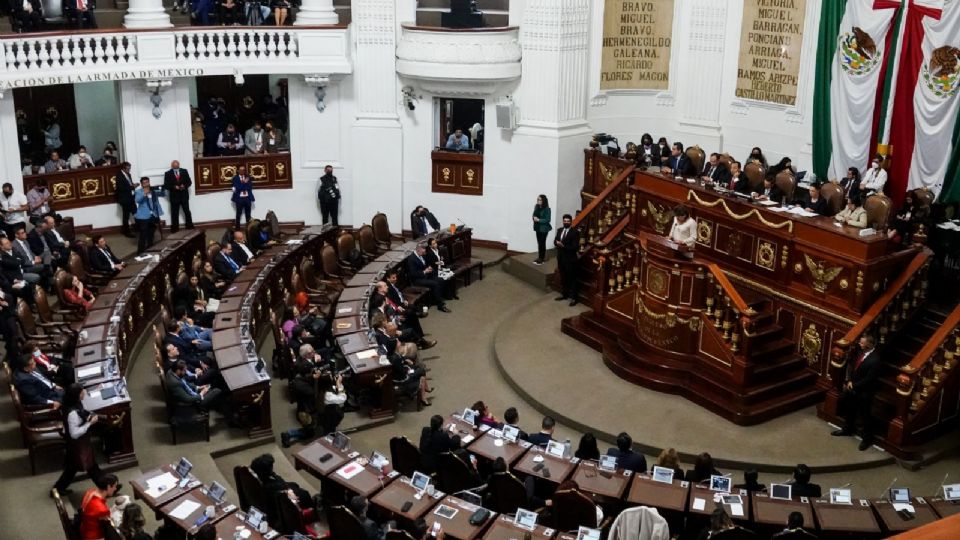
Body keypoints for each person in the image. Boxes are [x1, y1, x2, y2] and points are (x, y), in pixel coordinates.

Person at [832, 334, 882, 451]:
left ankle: (866, 438)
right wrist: (849, 380)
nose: (860, 344)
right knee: (850, 410)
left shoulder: (875, 360)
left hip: (864, 392)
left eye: (862, 343)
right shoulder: (860, 353)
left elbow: (870, 378)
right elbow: (853, 368)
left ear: (869, 344)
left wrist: (854, 384)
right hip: (853, 388)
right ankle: (847, 429)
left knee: (865, 416)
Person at [53, 383, 102, 494]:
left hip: (77, 444)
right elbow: (74, 433)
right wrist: (89, 423)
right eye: (82, 391)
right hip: (77, 444)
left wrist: (88, 416)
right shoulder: (72, 413)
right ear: (77, 395)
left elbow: (82, 413)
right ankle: (106, 486)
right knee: (86, 465)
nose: (84, 392)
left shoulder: (72, 403)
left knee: (83, 466)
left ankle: (58, 489)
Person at [249, 454, 316, 518]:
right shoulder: (268, 485)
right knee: (305, 493)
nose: (272, 468)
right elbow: (282, 491)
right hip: (284, 498)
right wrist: (289, 492)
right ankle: (312, 512)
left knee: (295, 484)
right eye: (271, 466)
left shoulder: (266, 475)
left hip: (283, 488)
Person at [407, 244, 451, 313]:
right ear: (418, 250)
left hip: (426, 275)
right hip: (417, 280)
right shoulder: (411, 259)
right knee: (435, 284)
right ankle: (440, 305)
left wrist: (428, 268)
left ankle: (438, 298)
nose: (424, 253)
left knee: (441, 279)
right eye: (422, 252)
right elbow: (413, 274)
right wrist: (424, 271)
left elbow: (425, 264)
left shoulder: (421, 255)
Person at [78, 474, 121, 540]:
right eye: (114, 486)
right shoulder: (102, 509)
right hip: (94, 537)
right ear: (109, 486)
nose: (115, 489)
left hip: (84, 528)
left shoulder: (90, 492)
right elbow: (108, 526)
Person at [553, 213, 581, 306]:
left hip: (570, 259)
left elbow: (575, 247)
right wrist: (557, 243)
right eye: (564, 221)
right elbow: (555, 240)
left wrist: (563, 246)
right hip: (560, 258)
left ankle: (574, 298)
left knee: (572, 278)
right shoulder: (560, 230)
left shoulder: (575, 232)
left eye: (568, 221)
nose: (566, 223)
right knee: (563, 277)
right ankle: (564, 295)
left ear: (571, 222)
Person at [134, 177, 164, 254]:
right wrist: (144, 194)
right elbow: (137, 200)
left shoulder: (153, 190)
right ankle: (140, 252)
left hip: (153, 214)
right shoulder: (138, 191)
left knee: (151, 232)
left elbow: (163, 194)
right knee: (143, 234)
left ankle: (150, 247)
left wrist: (161, 187)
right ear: (141, 184)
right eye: (144, 183)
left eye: (147, 182)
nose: (146, 184)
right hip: (143, 216)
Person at [163, 160, 194, 233]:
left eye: (177, 167)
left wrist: (185, 186)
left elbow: (189, 182)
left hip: (184, 196)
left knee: (187, 211)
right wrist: (174, 187)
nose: (176, 169)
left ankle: (190, 226)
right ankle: (175, 228)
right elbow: (166, 185)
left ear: (179, 166)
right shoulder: (167, 173)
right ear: (172, 167)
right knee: (174, 213)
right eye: (174, 168)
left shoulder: (184, 171)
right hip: (174, 197)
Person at [115, 162, 137, 237]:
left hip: (130, 197)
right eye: (128, 169)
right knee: (126, 216)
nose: (129, 170)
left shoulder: (128, 175)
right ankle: (126, 231)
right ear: (123, 168)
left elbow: (129, 183)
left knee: (135, 212)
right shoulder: (119, 176)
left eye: (129, 168)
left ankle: (138, 227)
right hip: (124, 199)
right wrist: (132, 187)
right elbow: (121, 188)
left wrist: (133, 185)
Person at [532, 194, 552, 265]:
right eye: (538, 199)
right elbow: (534, 215)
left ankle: (541, 258)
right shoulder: (536, 207)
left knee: (542, 243)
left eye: (540, 200)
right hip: (537, 227)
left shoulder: (547, 209)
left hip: (544, 229)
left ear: (543, 201)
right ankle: (539, 257)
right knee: (539, 243)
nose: (538, 201)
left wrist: (539, 220)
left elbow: (548, 220)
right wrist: (534, 218)